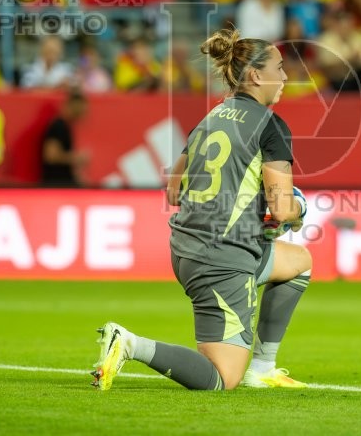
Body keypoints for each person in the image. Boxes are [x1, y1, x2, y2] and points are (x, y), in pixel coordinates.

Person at [92, 29, 311, 391]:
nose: (285, 76)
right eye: (279, 67)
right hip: (222, 257)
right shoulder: (270, 126)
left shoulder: (211, 117)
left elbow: (174, 190)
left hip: (186, 249)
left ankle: (263, 367)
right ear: (256, 75)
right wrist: (299, 208)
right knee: (221, 378)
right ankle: (130, 343)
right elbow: (283, 209)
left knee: (299, 262)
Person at [40, 90, 88, 187]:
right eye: (80, 107)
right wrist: (76, 158)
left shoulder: (66, 126)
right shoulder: (58, 126)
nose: (83, 111)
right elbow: (50, 156)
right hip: (56, 184)